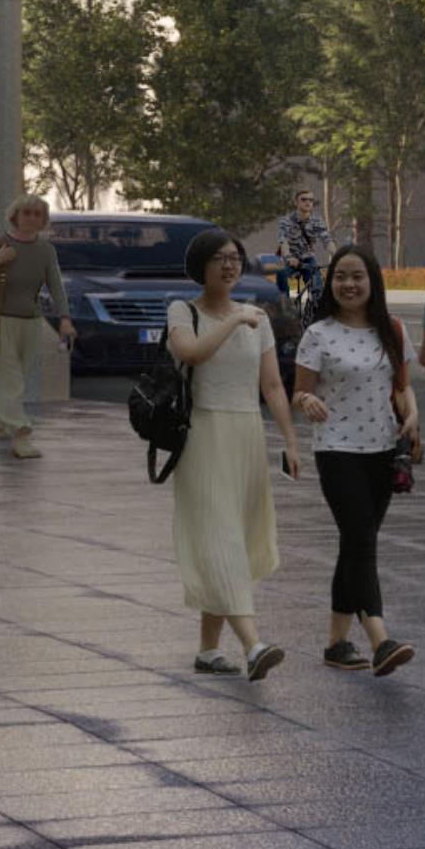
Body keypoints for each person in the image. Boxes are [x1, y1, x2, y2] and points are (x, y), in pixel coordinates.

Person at [165, 253, 302, 673]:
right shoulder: (182, 310)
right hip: (203, 435)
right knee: (220, 537)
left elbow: (273, 386)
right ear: (199, 266)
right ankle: (253, 644)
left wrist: (292, 443)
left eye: (233, 259)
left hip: (246, 435)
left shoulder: (255, 316)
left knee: (236, 539)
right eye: (218, 259)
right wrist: (232, 322)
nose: (227, 266)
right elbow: (191, 353)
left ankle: (208, 650)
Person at [297, 249, 421, 674]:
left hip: (383, 450)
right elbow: (300, 392)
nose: (349, 285)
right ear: (331, 283)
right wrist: (308, 398)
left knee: (355, 545)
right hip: (336, 449)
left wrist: (414, 414)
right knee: (363, 543)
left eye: (358, 277)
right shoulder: (318, 334)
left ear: (373, 282)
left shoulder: (392, 329)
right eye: (341, 277)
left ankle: (336, 644)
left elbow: (402, 387)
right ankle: (381, 641)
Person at [0, 195, 60, 462]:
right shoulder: (0, 242)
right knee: (11, 379)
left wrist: (64, 317)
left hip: (31, 321)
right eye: (26, 213)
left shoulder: (46, 250)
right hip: (0, 321)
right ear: (15, 216)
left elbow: (55, 283)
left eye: (36, 214)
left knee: (15, 377)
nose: (31, 218)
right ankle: (22, 434)